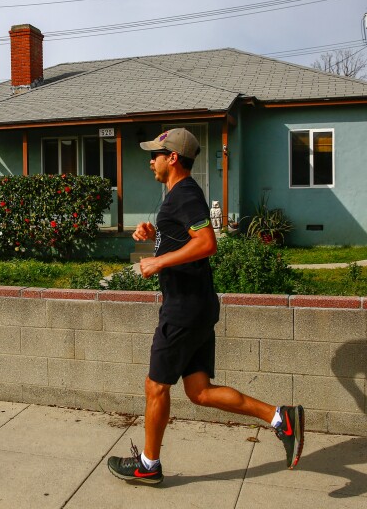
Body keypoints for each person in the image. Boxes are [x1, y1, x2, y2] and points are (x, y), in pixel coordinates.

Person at [107, 127, 304, 485]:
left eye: (156, 154)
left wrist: (157, 263)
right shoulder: (176, 197)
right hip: (195, 305)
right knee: (199, 391)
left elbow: (207, 243)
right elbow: (185, 239)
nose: (150, 160)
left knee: (156, 386)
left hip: (183, 308)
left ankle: (148, 465)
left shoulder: (184, 195)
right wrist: (156, 237)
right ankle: (280, 418)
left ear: (173, 158)